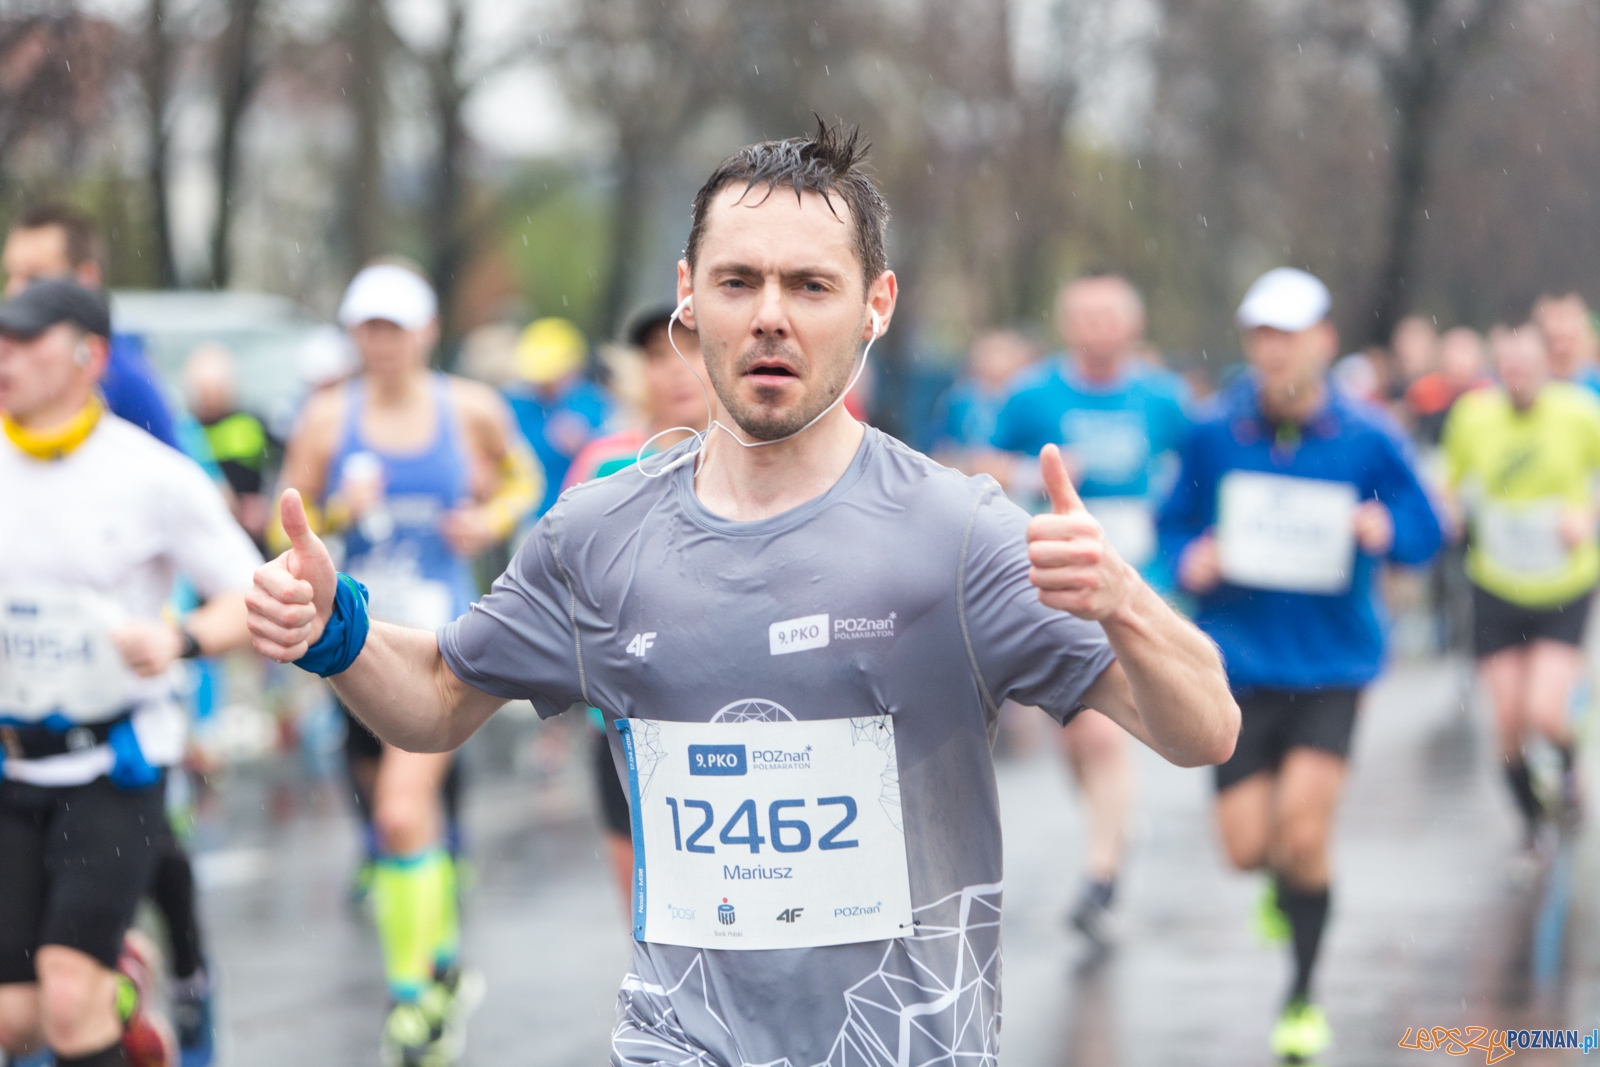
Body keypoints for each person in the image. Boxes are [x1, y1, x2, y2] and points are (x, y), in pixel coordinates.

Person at [246, 122, 1238, 1067]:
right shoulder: (595, 534)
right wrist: (336, 628)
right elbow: (435, 697)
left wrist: (1125, 600)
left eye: (810, 284)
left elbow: (1204, 731)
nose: (770, 313)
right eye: (738, 280)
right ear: (688, 295)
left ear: (875, 303)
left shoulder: (957, 534)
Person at [1159, 267, 1441, 1064]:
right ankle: (1285, 886)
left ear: (1323, 341)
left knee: (1304, 831)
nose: (1274, 353)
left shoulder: (1368, 434)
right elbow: (1172, 524)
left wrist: (1387, 529)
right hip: (1237, 667)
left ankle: (1302, 999)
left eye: (1289, 336)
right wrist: (1194, 558)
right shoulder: (1215, 430)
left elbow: (1425, 525)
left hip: (1332, 664)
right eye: (1261, 337)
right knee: (1248, 849)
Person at [272, 260, 538, 1066]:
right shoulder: (326, 418)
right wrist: (334, 515)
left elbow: (525, 478)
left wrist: (486, 516)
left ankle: (413, 1003)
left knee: (398, 811)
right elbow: (289, 526)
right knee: (380, 811)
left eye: (395, 328)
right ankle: (443, 953)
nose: (381, 345)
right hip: (356, 638)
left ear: (425, 332)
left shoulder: (469, 408)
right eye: (367, 329)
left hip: (444, 639)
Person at [0, 280, 259, 1067]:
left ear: (91, 355)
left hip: (116, 767)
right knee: (15, 1021)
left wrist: (177, 637)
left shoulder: (152, 474)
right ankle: (128, 998)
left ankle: (105, 994)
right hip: (12, 766)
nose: (5, 357)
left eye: (27, 341)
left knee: (69, 1002)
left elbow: (251, 596)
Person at [989, 273, 1189, 946]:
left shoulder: (1164, 398)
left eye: (1111, 315)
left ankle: (1100, 875)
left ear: (1132, 324)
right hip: (1059, 581)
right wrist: (1026, 473)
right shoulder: (1031, 395)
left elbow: (1198, 472)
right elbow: (972, 462)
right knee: (1076, 732)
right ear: (1068, 323)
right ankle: (1110, 824)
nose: (1099, 327)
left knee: (1103, 731)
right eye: (1086, 315)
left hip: (1139, 580)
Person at [560, 306, 712, 909]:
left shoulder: (765, 460)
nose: (675, 369)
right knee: (650, 925)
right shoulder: (606, 466)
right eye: (657, 354)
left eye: (695, 348)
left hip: (733, 728)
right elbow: (560, 581)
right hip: (625, 732)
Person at [1441, 325, 1600, 844]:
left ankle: (1569, 768)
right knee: (1507, 729)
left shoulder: (1578, 411)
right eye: (1508, 369)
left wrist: (1587, 518)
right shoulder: (1473, 415)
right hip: (1496, 582)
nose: (1519, 379)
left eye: (1528, 368)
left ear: (1544, 366)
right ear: (1497, 370)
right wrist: (1449, 509)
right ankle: (1533, 821)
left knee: (1544, 712)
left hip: (1563, 582)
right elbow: (1447, 479)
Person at [1, 205, 178, 450]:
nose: (15, 291)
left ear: (86, 278)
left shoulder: (124, 377)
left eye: (34, 276)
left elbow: (173, 471)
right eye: (11, 275)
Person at [502, 316, 612, 516]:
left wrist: (586, 444)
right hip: (525, 516)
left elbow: (618, 463)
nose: (544, 384)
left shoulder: (595, 405)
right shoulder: (514, 405)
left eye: (552, 376)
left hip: (579, 514)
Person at [185, 345, 275, 554]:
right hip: (206, 534)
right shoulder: (186, 429)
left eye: (217, 388)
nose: (211, 397)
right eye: (204, 389)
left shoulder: (251, 423)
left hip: (252, 536)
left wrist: (266, 504)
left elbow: (280, 466)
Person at [927, 328, 1039, 478]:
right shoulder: (960, 398)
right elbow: (941, 443)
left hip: (1008, 479)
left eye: (1002, 353)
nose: (993, 359)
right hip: (961, 472)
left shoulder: (1026, 399)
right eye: (988, 352)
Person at [1405, 327, 1490, 447]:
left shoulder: (1488, 394)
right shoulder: (1423, 391)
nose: (1459, 361)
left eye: (1465, 352)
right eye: (1454, 352)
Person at [1533, 292, 1600, 396]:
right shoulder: (1531, 386)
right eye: (1554, 340)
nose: (1561, 349)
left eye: (1568, 339)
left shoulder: (1594, 382)